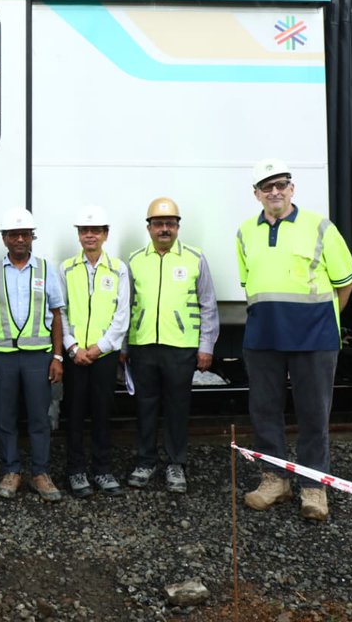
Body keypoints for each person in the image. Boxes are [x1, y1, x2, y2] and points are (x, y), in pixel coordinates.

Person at [238, 158, 352, 521]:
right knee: (264, 410)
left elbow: (347, 280)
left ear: (292, 188)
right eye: (267, 186)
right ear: (256, 194)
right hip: (263, 336)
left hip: (315, 337)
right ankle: (275, 480)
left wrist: (325, 319)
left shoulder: (320, 227)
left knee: (313, 413)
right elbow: (249, 283)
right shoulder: (245, 232)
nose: (275, 192)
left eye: (281, 184)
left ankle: (313, 487)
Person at [124, 197, 219, 494]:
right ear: (149, 228)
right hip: (143, 346)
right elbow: (126, 306)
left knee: (178, 407)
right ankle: (145, 461)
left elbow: (208, 304)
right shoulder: (135, 260)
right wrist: (125, 346)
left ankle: (176, 463)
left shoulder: (194, 258)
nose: (164, 229)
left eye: (170, 223)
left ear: (178, 227)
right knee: (145, 406)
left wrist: (206, 346)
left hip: (181, 347)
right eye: (158, 224)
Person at [0, 208, 66, 502]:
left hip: (38, 357)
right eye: (13, 235)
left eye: (25, 234)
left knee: (39, 417)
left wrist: (57, 357)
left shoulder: (46, 270)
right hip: (3, 356)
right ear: (4, 238)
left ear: (32, 237)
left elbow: (56, 315)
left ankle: (40, 473)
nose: (19, 239)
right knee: (5, 416)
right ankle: (11, 471)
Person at [59, 205, 131, 498]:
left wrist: (100, 347)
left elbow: (122, 314)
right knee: (74, 413)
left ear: (105, 234)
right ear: (78, 235)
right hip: (75, 355)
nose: (90, 235)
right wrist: (72, 346)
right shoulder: (66, 268)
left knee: (103, 413)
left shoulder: (118, 269)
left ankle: (102, 469)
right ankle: (75, 471)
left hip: (104, 355)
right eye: (84, 230)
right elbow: (60, 311)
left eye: (96, 231)